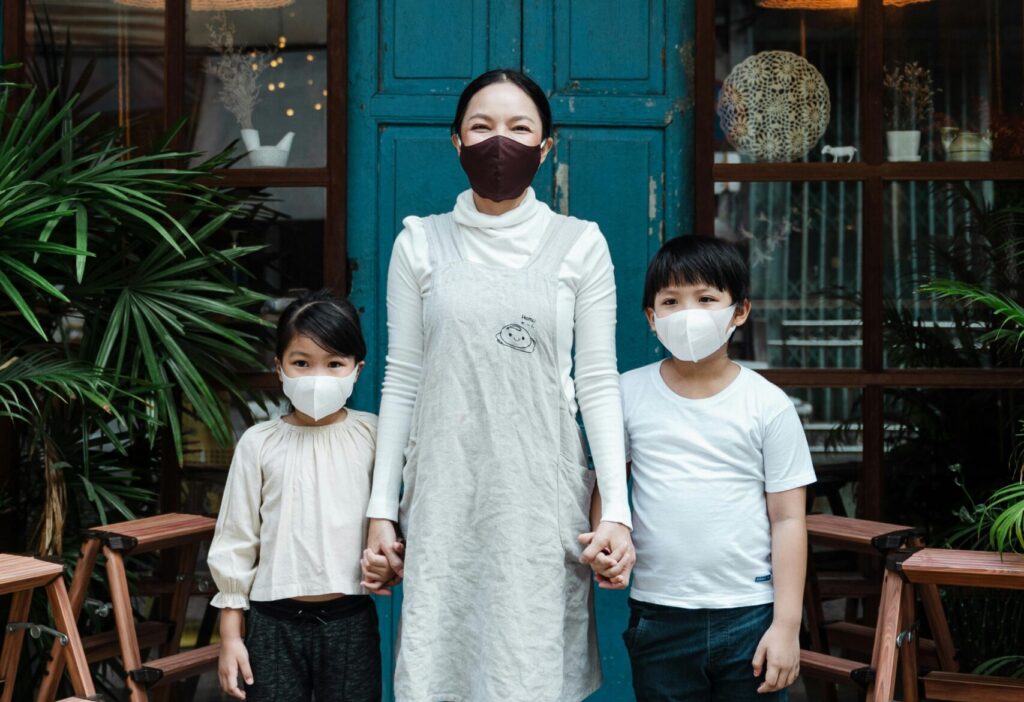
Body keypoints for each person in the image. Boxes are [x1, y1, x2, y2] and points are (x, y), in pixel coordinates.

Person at [360, 68, 635, 701]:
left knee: (530, 666)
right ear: (455, 142)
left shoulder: (580, 245)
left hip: (541, 496)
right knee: (440, 663)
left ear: (547, 146)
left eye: (519, 127)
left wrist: (615, 512)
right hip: (444, 493)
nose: (498, 142)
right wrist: (382, 508)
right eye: (481, 127)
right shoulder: (420, 244)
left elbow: (597, 381)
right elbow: (402, 378)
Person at [618, 236, 816, 701]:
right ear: (651, 317)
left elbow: (788, 518)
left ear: (739, 311)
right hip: (659, 613)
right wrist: (609, 538)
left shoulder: (767, 404)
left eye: (706, 299)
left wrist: (787, 626)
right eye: (671, 301)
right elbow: (606, 487)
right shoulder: (625, 395)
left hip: (749, 615)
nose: (689, 314)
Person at [208, 290, 381, 702]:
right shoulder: (258, 443)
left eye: (334, 363)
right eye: (301, 363)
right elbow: (236, 541)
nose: (317, 377)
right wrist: (231, 636)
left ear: (358, 369)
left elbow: (399, 515)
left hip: (350, 620)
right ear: (279, 367)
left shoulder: (375, 436)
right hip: (271, 623)